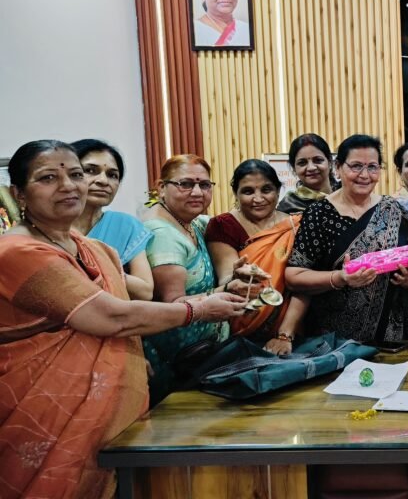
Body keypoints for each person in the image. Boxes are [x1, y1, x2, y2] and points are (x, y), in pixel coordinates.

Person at [0, 140, 244, 499]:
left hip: (104, 405)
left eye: (75, 175)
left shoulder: (92, 248)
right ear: (18, 193)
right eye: (48, 178)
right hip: (42, 406)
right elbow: (111, 316)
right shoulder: (17, 251)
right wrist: (200, 309)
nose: (68, 186)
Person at [141, 155, 259, 405]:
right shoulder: (162, 234)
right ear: (161, 187)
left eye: (204, 185)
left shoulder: (195, 223)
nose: (197, 192)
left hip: (206, 356)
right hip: (178, 361)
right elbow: (174, 304)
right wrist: (225, 290)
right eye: (185, 184)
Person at [286, 135, 408, 341]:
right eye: (356, 166)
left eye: (372, 167)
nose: (364, 175)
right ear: (338, 168)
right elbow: (294, 276)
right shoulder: (319, 214)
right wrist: (340, 278)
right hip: (333, 340)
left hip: (389, 336)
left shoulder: (394, 209)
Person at [207, 159, 307, 355]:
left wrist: (285, 335)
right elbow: (226, 277)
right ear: (236, 193)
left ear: (278, 191)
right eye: (248, 191)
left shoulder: (296, 225)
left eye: (266, 189)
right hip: (241, 326)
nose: (258, 198)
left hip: (293, 327)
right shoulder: (223, 225)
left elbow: (304, 282)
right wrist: (237, 277)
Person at [70, 139, 154, 300]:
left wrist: (97, 267)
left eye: (112, 175)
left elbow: (145, 291)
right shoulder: (50, 228)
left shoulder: (125, 226)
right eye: (90, 170)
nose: (103, 181)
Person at [277, 133, 338, 213]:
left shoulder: (346, 194)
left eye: (318, 160)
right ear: (294, 168)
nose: (311, 168)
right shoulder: (289, 206)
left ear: (330, 162)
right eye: (302, 163)